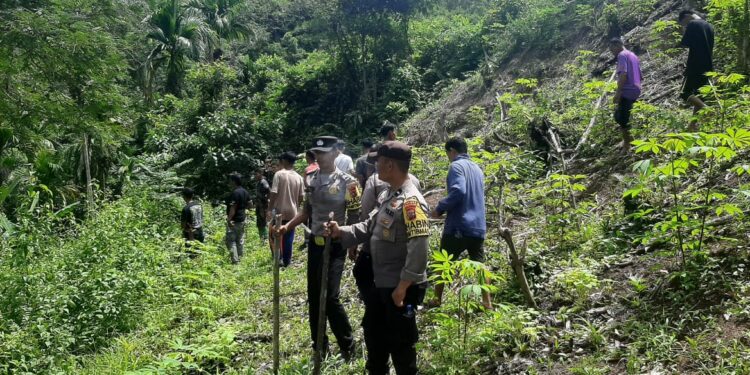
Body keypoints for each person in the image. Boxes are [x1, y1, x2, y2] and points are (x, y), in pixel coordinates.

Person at [325, 141, 429, 375]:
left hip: (400, 289)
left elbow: (420, 246)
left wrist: (403, 286)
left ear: (390, 165)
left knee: (401, 346)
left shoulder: (411, 201)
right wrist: (342, 231)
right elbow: (369, 225)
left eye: (378, 163)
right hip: (382, 285)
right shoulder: (388, 195)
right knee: (375, 337)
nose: (375, 168)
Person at [274, 136, 360, 360]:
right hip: (316, 243)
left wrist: (351, 240)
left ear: (334, 154)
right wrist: (287, 227)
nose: (319, 157)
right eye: (317, 153)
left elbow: (355, 215)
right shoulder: (310, 179)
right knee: (314, 296)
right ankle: (319, 346)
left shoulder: (348, 182)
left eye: (323, 153)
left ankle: (348, 345)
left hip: (337, 244)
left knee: (330, 296)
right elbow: (306, 212)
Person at [428, 137, 490, 309]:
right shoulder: (477, 169)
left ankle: (437, 300)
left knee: (444, 262)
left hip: (459, 225)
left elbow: (459, 190)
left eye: (448, 153)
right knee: (479, 265)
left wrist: (439, 208)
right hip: (478, 226)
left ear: (452, 151)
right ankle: (487, 304)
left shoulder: (456, 166)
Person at [678, 9, 714, 130]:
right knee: (699, 95)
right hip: (708, 65)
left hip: (695, 64)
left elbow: (684, 44)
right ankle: (692, 125)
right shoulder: (709, 25)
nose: (685, 26)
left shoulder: (693, 24)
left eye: (684, 23)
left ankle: (707, 109)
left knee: (685, 93)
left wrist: (684, 31)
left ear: (687, 16)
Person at [268, 151, 305, 267]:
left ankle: (278, 258)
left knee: (275, 234)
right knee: (288, 236)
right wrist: (296, 206)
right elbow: (301, 196)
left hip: (279, 211)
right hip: (292, 211)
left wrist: (269, 209)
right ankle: (287, 261)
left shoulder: (279, 174)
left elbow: (274, 193)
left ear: (284, 161)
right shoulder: (299, 177)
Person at [609, 37, 642, 153]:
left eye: (612, 49)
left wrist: (618, 92)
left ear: (617, 45)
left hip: (627, 89)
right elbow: (640, 74)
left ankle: (627, 145)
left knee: (622, 118)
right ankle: (629, 139)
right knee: (620, 115)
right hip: (636, 88)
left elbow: (623, 74)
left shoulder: (622, 55)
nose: (612, 52)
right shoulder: (633, 55)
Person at [226, 173, 251, 264]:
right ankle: (241, 258)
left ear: (234, 181)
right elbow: (250, 204)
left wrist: (229, 219)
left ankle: (235, 261)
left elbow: (233, 208)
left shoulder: (235, 193)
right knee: (239, 239)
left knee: (231, 240)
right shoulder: (245, 191)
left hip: (234, 220)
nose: (229, 183)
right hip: (242, 219)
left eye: (230, 181)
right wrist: (244, 210)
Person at [254, 170, 271, 241]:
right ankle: (262, 239)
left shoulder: (263, 183)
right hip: (259, 205)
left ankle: (265, 239)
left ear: (261, 173)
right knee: (259, 223)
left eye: (256, 174)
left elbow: (270, 192)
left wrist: (265, 201)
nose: (255, 176)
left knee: (263, 222)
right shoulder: (259, 183)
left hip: (262, 206)